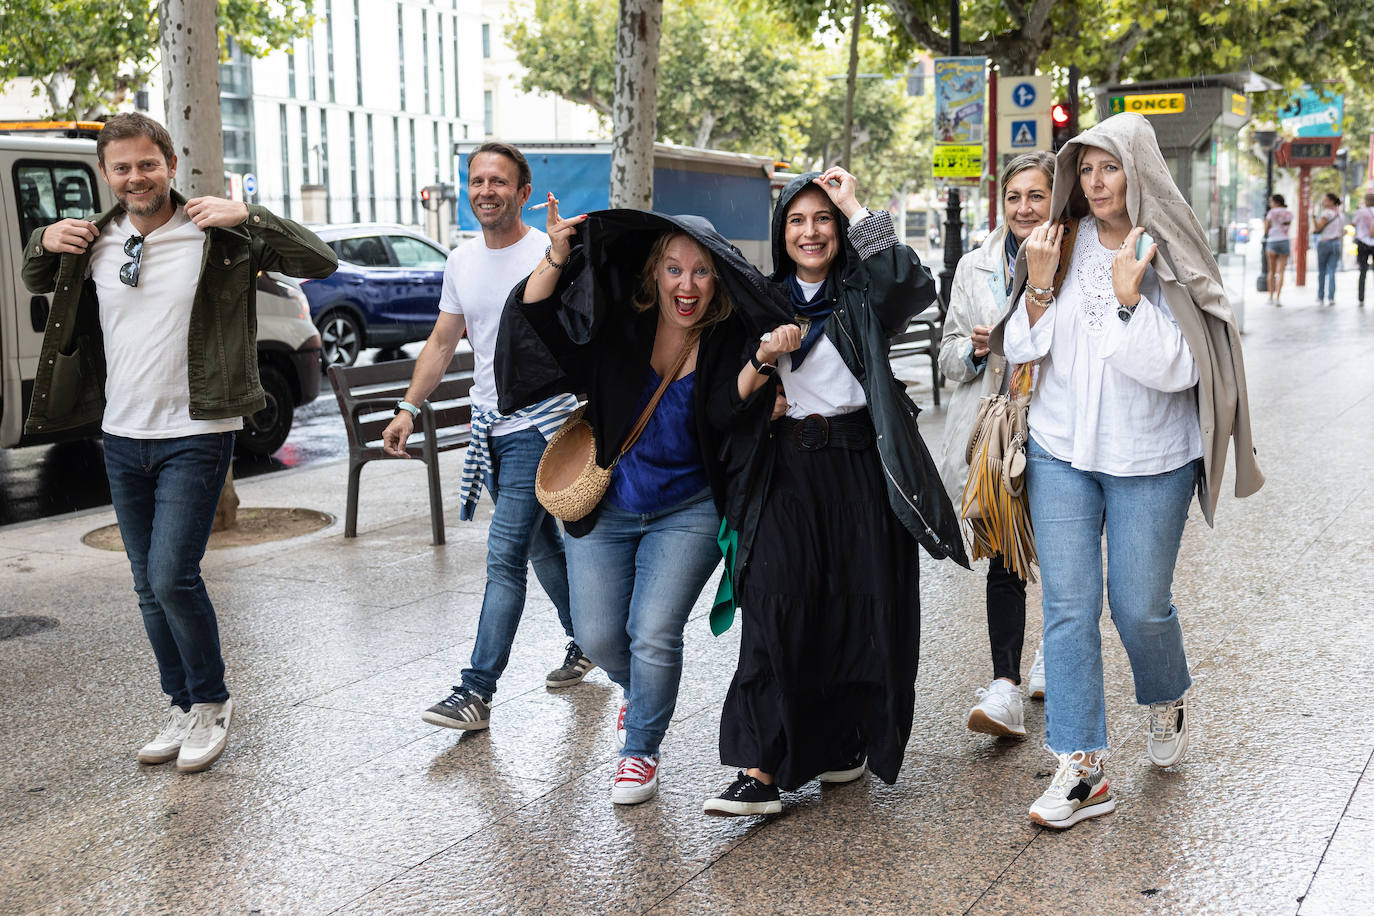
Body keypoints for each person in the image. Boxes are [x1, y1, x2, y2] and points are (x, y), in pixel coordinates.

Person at [21, 112, 337, 772]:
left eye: (147, 164)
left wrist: (248, 214)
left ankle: (213, 701)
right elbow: (34, 277)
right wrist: (44, 236)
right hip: (121, 434)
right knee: (145, 584)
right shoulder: (93, 242)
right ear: (106, 175)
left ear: (169, 164)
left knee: (172, 574)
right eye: (122, 167)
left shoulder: (215, 234)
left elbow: (319, 259)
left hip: (196, 431)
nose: (136, 177)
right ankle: (180, 701)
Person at [991, 112, 1264, 830]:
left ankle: (1166, 692)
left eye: (1109, 167)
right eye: (1085, 170)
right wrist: (1042, 285)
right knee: (1070, 608)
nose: (1096, 181)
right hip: (1060, 451)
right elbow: (1018, 350)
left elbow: (1179, 370)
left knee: (1139, 606)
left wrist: (1126, 301)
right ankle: (1082, 766)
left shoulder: (1165, 250)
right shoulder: (1057, 241)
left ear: (1137, 170)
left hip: (1152, 457)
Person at [495, 203, 787, 804]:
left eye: (702, 272)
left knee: (653, 632)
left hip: (691, 507)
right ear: (655, 273)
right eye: (675, 270)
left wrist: (764, 379)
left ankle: (639, 752)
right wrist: (554, 255)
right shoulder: (618, 325)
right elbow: (540, 321)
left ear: (719, 279)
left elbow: (729, 413)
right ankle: (643, 695)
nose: (687, 285)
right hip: (611, 505)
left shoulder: (730, 336)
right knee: (601, 638)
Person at [703, 167, 968, 816]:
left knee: (860, 602)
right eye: (798, 220)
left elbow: (914, 285)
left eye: (823, 218)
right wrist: (764, 356)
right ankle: (762, 770)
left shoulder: (862, 293)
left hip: (860, 466)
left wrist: (855, 202)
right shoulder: (758, 300)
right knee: (775, 604)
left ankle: (846, 740)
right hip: (786, 468)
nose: (812, 231)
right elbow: (722, 394)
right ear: (780, 232)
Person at [382, 142, 591, 733]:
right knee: (539, 546)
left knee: (504, 555)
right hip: (489, 427)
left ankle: (476, 691)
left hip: (539, 425)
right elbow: (444, 342)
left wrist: (559, 254)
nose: (486, 191)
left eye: (499, 181)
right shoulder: (461, 261)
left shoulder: (547, 252)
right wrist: (407, 408)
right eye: (477, 181)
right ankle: (585, 639)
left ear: (524, 192)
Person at [938, 151, 1055, 739]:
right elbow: (948, 355)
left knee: (1064, 551)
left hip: (1061, 425)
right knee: (1006, 551)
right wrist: (978, 349)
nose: (1024, 208)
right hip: (999, 431)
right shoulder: (974, 265)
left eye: (1036, 196)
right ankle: (1004, 684)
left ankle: (1052, 658)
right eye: (1014, 197)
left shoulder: (1079, 258)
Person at [1314, 193, 1344, 307]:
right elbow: (1342, 232)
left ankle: (1320, 296)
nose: (1323, 202)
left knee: (1322, 271)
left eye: (1325, 200)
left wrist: (1313, 219)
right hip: (1336, 243)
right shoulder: (1339, 214)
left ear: (1331, 202)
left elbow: (1319, 228)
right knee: (1332, 271)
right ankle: (1331, 297)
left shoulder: (1326, 213)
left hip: (1325, 242)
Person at [1264, 193, 1294, 306]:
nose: (1270, 204)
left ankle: (1270, 297)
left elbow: (1266, 229)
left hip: (1272, 241)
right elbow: (1287, 226)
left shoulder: (1271, 213)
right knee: (1281, 271)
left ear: (1276, 202)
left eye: (1271, 202)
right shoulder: (1289, 213)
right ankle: (1278, 298)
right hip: (1284, 241)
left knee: (1271, 271)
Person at [1355, 192, 1374, 308]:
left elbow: (1353, 223)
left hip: (1363, 243)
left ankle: (1361, 298)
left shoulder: (1361, 212)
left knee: (1363, 271)